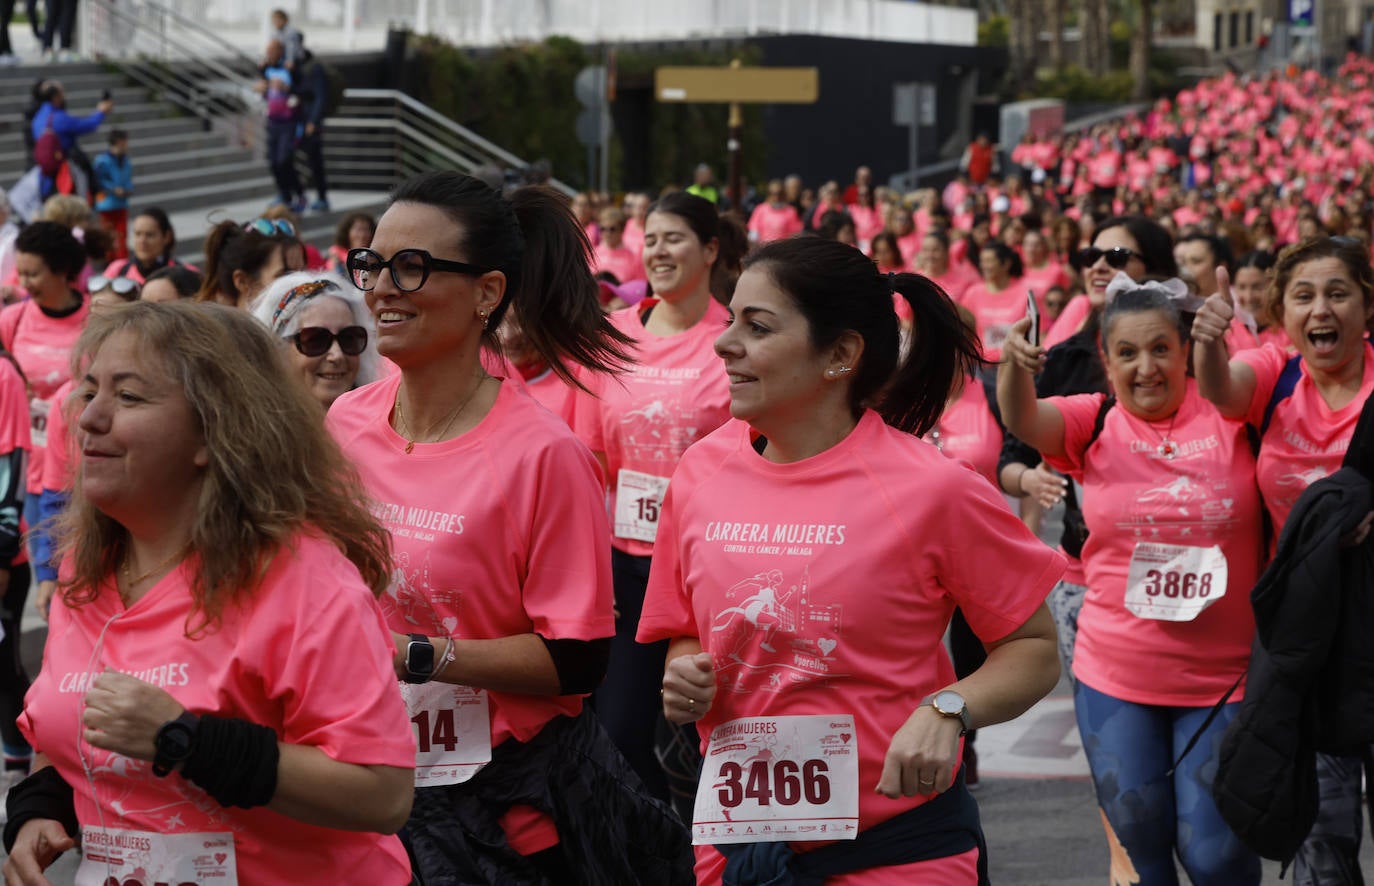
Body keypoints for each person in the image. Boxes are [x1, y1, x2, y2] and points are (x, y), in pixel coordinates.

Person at [638, 236, 1063, 882]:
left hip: (898, 848)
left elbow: (1034, 648)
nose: (725, 345)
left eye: (757, 327)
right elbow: (686, 632)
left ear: (840, 355)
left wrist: (947, 708)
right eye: (730, 322)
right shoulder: (699, 473)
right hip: (737, 847)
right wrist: (686, 674)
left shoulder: (930, 488)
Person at [329, 171, 693, 883]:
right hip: (370, 794)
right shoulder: (344, 424)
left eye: (412, 267)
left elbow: (579, 658)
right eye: (372, 264)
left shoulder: (543, 453)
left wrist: (421, 656)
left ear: (487, 293)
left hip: (505, 817)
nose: (380, 289)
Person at [3, 301, 416, 885]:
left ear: (212, 431)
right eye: (89, 390)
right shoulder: (88, 570)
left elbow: (383, 793)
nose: (89, 417)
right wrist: (37, 809)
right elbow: (63, 727)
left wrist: (188, 741)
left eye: (128, 397)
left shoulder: (307, 582)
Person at [1000, 273, 1263, 885]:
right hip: (1117, 671)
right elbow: (1022, 416)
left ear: (1184, 352)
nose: (1146, 368)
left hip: (1227, 677)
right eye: (1127, 354)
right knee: (1141, 848)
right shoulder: (1093, 421)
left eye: (1160, 350)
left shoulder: (1232, 413)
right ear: (1107, 361)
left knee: (1216, 856)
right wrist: (1015, 365)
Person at [1193, 235, 1374, 885]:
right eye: (1304, 296)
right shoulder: (1275, 372)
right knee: (1321, 848)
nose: (1321, 308)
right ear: (1283, 314)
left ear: (1365, 306)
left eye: (1337, 293)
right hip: (1308, 648)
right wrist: (1210, 340)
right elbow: (1222, 389)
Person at [574, 191, 746, 805]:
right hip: (627, 563)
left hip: (712, 569)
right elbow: (592, 463)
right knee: (619, 732)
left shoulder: (734, 337)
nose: (658, 250)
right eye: (650, 239)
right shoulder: (612, 337)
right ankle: (666, 853)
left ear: (710, 249)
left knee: (709, 739)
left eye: (673, 237)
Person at [998, 215, 1178, 683]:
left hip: (1183, 563)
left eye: (1115, 257)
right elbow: (1010, 458)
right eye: (1088, 257)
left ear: (1154, 267)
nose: (1098, 266)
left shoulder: (1195, 356)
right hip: (1090, 571)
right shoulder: (1061, 361)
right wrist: (1031, 479)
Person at [249, 270, 379, 411]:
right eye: (316, 340)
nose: (337, 355)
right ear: (278, 349)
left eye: (349, 338)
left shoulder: (385, 423)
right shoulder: (252, 431)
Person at [194, 218, 303, 307]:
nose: (303, 284)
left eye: (302, 272)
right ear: (242, 281)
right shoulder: (215, 333)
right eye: (285, 275)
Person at [29, 80, 110, 196]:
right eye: (62, 94)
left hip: (45, 175)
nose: (64, 97)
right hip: (65, 174)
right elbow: (88, 125)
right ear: (55, 97)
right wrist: (101, 112)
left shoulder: (37, 117)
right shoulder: (59, 118)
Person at [256, 41, 305, 213]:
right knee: (273, 161)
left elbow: (304, 91)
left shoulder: (290, 68)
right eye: (267, 51)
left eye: (272, 51)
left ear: (280, 51)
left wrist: (287, 87)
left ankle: (299, 193)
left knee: (285, 160)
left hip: (289, 122)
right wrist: (261, 87)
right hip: (273, 121)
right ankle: (284, 194)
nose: (269, 54)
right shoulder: (265, 68)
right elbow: (261, 87)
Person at [100, 208, 192, 285]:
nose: (142, 241)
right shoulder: (117, 271)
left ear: (166, 237)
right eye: (137, 234)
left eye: (150, 235)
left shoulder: (187, 274)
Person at [293, 47, 332, 212]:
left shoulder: (313, 67)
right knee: (285, 159)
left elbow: (319, 96)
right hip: (296, 121)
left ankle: (321, 197)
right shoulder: (294, 66)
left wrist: (313, 122)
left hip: (309, 123)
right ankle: (299, 195)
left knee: (315, 160)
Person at [91, 129, 133, 261]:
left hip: (121, 203)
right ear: (119, 142)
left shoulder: (126, 160)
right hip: (106, 204)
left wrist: (128, 189)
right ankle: (109, 265)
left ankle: (122, 264)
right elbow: (97, 180)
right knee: (107, 237)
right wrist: (113, 189)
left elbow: (128, 179)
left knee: (122, 236)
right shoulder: (102, 161)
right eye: (125, 141)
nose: (127, 144)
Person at [592, 207, 644, 284]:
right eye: (603, 229)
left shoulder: (633, 258)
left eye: (612, 229)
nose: (607, 233)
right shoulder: (592, 254)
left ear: (622, 230)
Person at [746, 179, 803, 244]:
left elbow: (795, 233)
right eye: (773, 193)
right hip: (764, 249)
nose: (776, 197)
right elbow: (754, 228)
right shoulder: (760, 209)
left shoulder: (791, 211)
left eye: (779, 193)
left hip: (783, 249)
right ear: (768, 194)